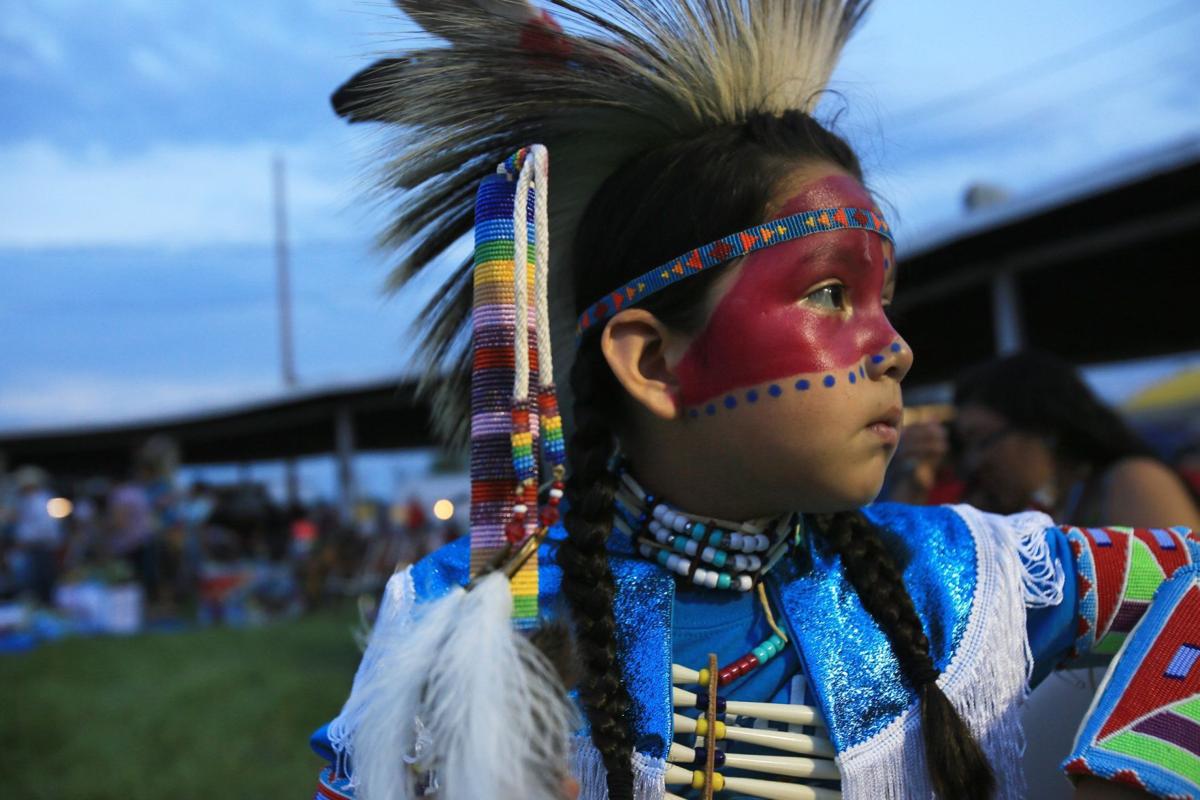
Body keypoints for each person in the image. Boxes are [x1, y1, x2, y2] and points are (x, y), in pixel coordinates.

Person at [311, 3, 1200, 799]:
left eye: (884, 300)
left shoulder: (963, 583)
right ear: (655, 361)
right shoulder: (461, 621)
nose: (894, 349)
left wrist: (1140, 769)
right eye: (828, 295)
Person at [952, 351, 1200, 529]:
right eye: (967, 448)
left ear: (1043, 428)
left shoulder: (1132, 480)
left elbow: (1187, 592)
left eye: (982, 440)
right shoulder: (1062, 504)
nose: (975, 462)